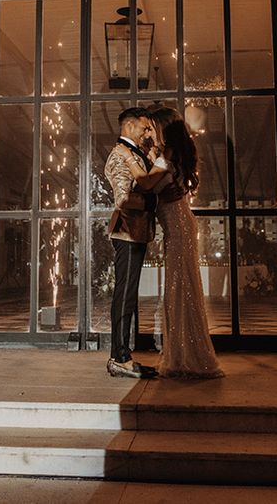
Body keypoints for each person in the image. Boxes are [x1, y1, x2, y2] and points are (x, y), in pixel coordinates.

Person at [119, 106, 224, 379]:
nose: (149, 131)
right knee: (183, 289)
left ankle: (185, 359)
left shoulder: (166, 155)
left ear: (162, 128)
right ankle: (185, 355)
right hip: (180, 226)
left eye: (153, 127)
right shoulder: (169, 154)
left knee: (180, 290)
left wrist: (130, 160)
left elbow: (144, 184)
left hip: (178, 229)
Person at [103, 107, 164, 379]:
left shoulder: (136, 152)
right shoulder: (119, 155)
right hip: (126, 233)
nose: (147, 132)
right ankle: (119, 357)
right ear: (128, 127)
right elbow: (123, 199)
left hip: (135, 233)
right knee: (125, 294)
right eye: (143, 127)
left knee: (128, 294)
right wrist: (153, 202)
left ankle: (122, 355)